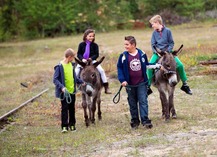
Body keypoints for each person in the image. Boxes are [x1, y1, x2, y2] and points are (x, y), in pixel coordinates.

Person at [117, 36, 161, 129]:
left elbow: (146, 65)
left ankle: (145, 120)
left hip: (141, 83)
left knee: (143, 101)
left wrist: (157, 66)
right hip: (130, 85)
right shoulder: (124, 56)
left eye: (127, 44)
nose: (125, 46)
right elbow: (120, 68)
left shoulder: (141, 54)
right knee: (132, 103)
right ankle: (135, 121)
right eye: (125, 44)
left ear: (133, 45)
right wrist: (122, 80)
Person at [147, 14, 192, 95]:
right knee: (149, 67)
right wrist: (158, 52)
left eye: (153, 24)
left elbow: (171, 43)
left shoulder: (168, 31)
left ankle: (185, 84)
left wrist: (167, 52)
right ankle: (148, 86)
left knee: (180, 65)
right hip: (157, 53)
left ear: (157, 22)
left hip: (168, 53)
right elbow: (153, 44)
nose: (152, 26)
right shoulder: (154, 33)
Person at [53, 48, 84, 133]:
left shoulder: (71, 65)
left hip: (72, 91)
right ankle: (64, 126)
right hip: (64, 92)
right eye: (73, 57)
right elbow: (55, 79)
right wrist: (62, 87)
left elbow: (74, 77)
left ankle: (72, 125)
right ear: (69, 57)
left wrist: (81, 82)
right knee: (64, 109)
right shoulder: (59, 66)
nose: (73, 59)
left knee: (72, 108)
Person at [75, 28, 112, 94]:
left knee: (101, 70)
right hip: (83, 62)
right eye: (90, 36)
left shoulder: (95, 45)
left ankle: (106, 86)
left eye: (93, 36)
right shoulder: (81, 45)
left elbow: (96, 54)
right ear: (86, 36)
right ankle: (75, 85)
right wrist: (82, 59)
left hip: (92, 62)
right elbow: (79, 54)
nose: (91, 37)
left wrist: (91, 58)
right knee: (76, 71)